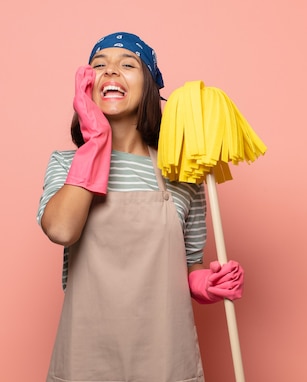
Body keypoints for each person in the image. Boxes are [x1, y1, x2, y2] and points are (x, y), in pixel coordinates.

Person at [37, 32, 244, 382]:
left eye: (127, 64)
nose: (111, 71)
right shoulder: (66, 164)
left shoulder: (182, 176)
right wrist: (97, 141)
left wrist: (207, 284)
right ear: (87, 87)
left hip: (164, 358)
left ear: (149, 85)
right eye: (98, 65)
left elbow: (189, 267)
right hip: (86, 357)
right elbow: (61, 229)